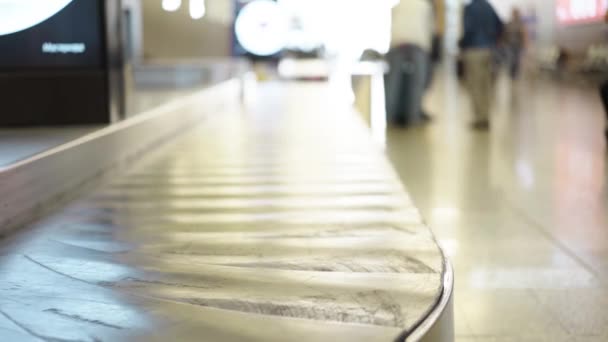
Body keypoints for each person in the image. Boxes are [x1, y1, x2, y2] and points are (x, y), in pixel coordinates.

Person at [385, 0, 434, 126]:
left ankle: (390, 117)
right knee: (417, 84)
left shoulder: (398, 5)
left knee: (392, 84)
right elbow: (429, 28)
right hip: (418, 44)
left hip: (397, 43)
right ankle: (413, 117)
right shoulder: (424, 5)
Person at [460, 0, 504, 130]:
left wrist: (462, 44)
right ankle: (486, 117)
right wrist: (493, 40)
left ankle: (479, 119)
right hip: (489, 50)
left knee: (475, 85)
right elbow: (500, 25)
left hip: (474, 50)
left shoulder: (470, 8)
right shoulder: (489, 6)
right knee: (486, 85)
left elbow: (468, 29)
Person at [504, 7, 527, 79]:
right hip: (510, 45)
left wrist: (524, 44)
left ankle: (515, 75)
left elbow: (524, 34)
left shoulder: (521, 24)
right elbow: (505, 33)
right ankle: (511, 74)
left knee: (517, 60)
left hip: (518, 45)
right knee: (511, 59)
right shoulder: (509, 23)